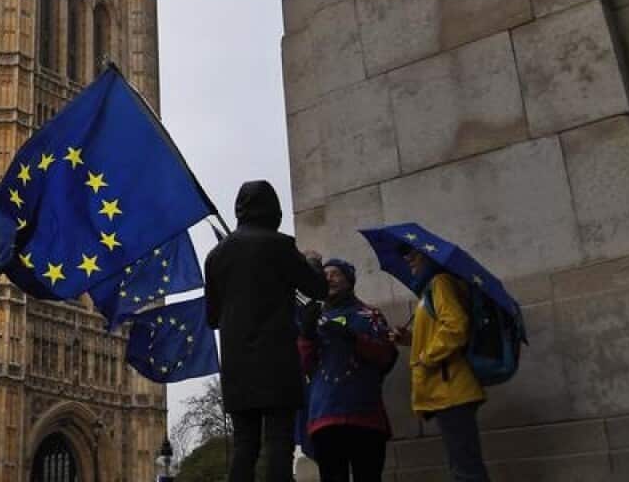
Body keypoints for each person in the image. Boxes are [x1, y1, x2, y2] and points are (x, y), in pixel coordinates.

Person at [205, 180, 329, 482]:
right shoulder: (280, 245)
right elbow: (318, 288)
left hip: (237, 364)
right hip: (277, 359)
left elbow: (212, 317)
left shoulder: (216, 256)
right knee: (279, 441)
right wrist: (313, 261)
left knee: (244, 445)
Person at [389, 246, 490, 482]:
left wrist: (426, 357)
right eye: (407, 255)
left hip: (452, 389)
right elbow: (438, 331)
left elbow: (456, 326)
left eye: (415, 255)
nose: (409, 259)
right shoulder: (429, 290)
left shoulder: (440, 283)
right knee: (462, 465)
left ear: (430, 258)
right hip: (446, 390)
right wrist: (410, 339)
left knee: (466, 470)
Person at [298, 259, 397, 481]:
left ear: (349, 280)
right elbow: (304, 366)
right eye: (325, 275)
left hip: (364, 414)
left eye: (335, 274)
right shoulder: (314, 318)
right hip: (325, 415)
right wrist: (306, 336)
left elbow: (386, 357)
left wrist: (353, 339)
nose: (329, 279)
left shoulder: (370, 315)